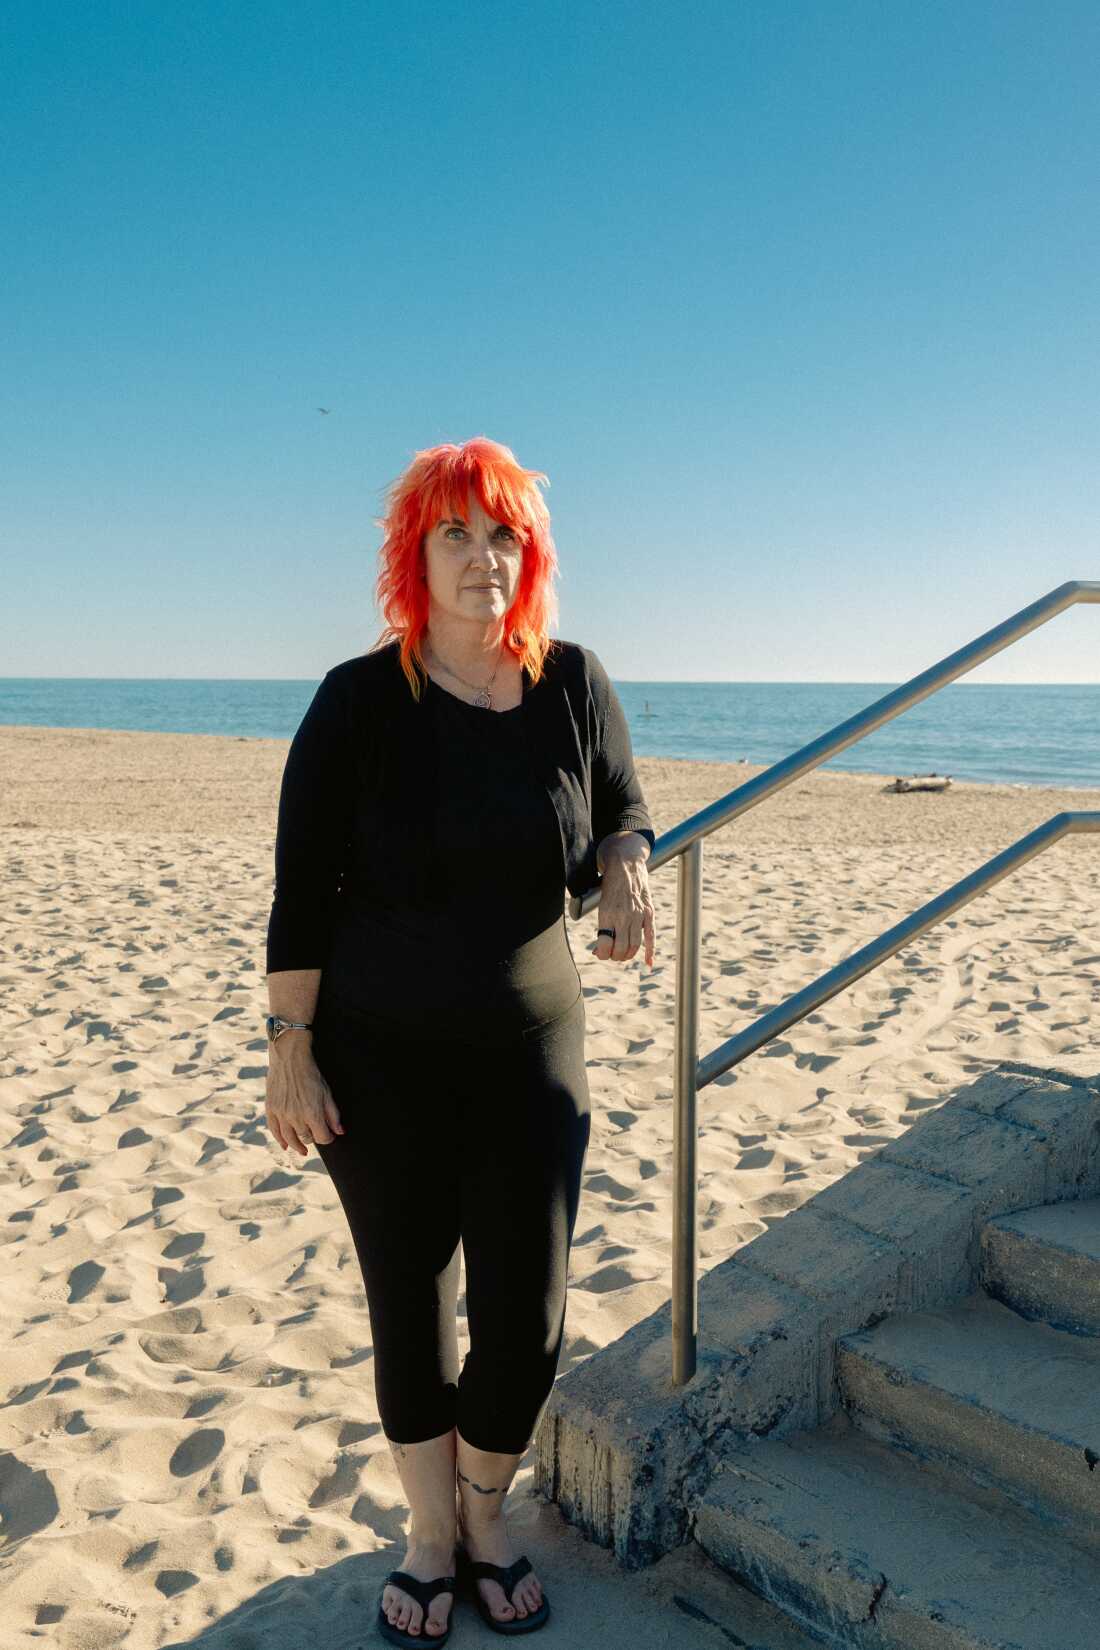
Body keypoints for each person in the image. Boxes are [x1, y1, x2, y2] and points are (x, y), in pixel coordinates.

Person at [264, 437, 657, 1644]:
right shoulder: (358, 699)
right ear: (414, 555)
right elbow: (301, 887)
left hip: (530, 1055)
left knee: (527, 1318)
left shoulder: (573, 681)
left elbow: (622, 802)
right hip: (375, 1063)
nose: (481, 556)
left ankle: (485, 1510)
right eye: (454, 533)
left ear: (526, 554)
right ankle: (435, 1537)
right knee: (411, 1314)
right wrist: (290, 1047)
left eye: (501, 534)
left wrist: (627, 863)